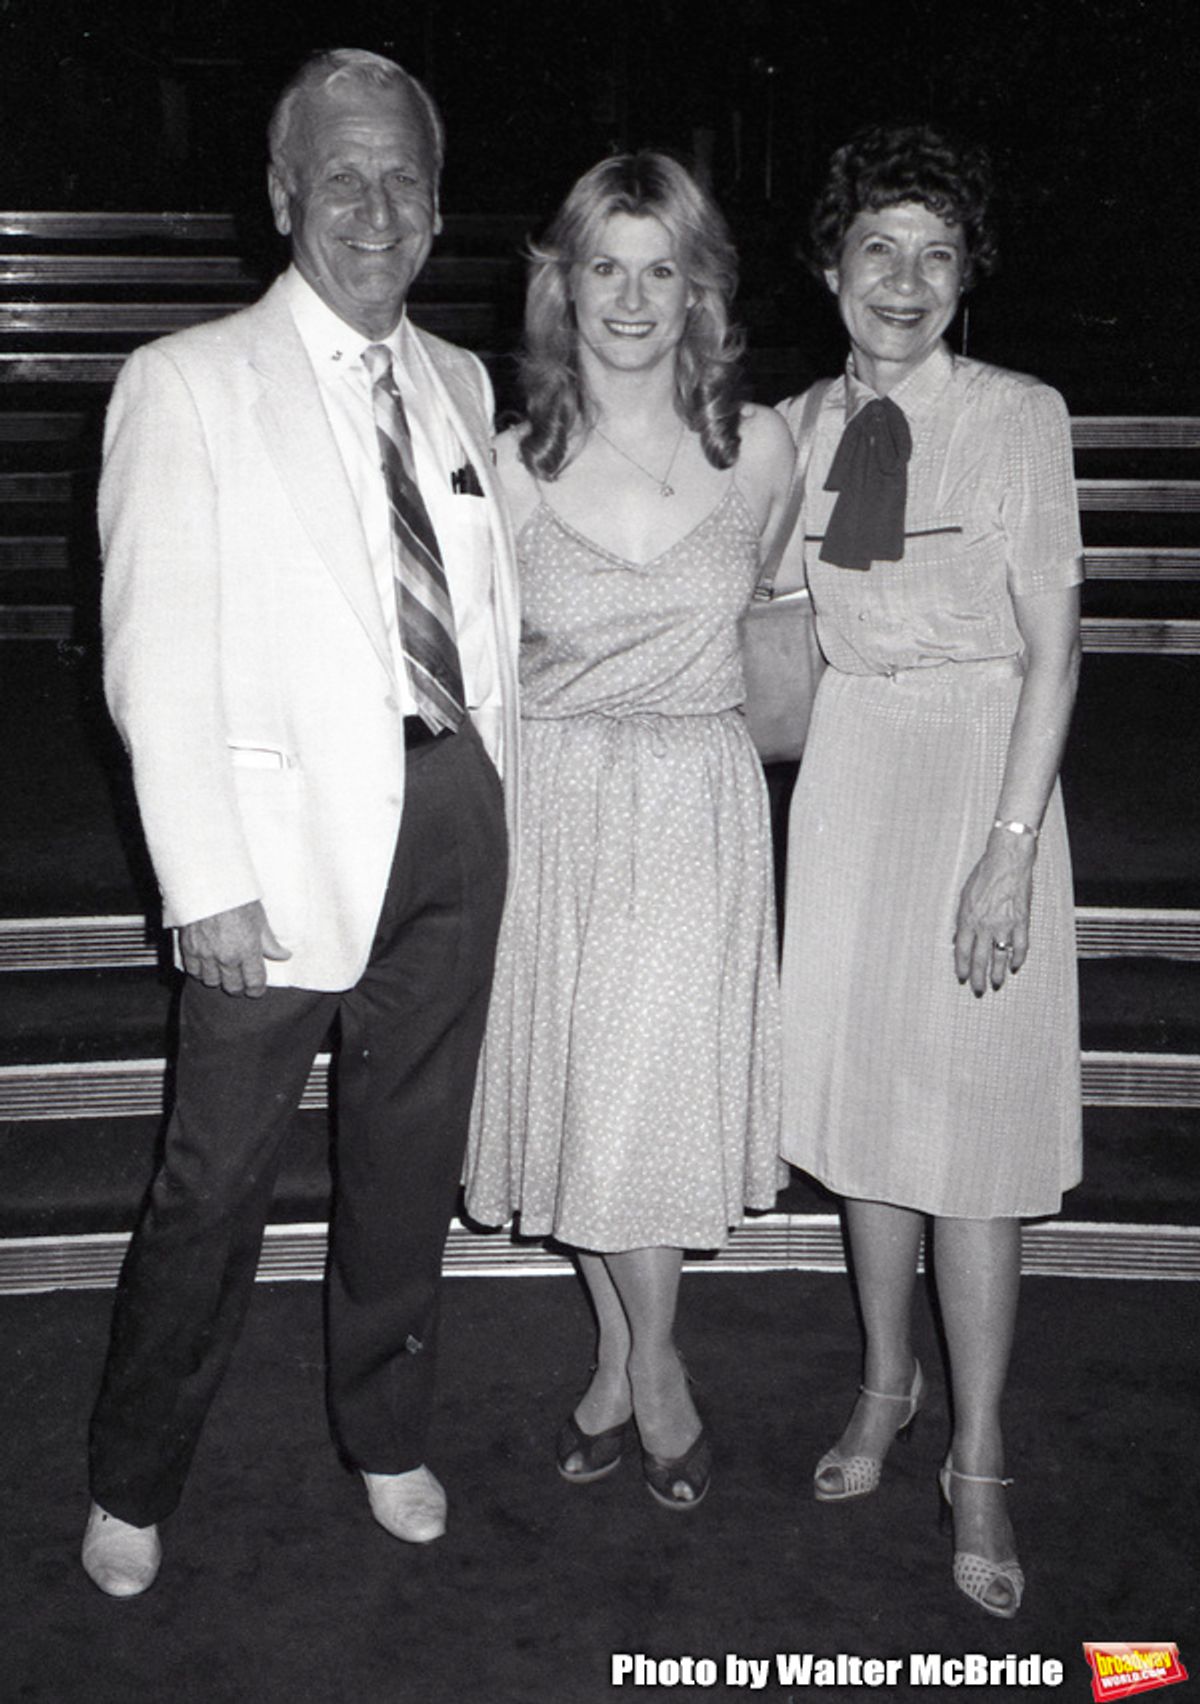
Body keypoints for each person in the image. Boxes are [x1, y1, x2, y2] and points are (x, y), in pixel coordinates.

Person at [80, 48, 520, 1596]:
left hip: (449, 817)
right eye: (342, 174)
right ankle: (134, 1476)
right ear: (281, 197)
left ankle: (387, 1432)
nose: (376, 206)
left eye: (404, 176)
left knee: (407, 1164)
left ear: (437, 199)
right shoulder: (186, 383)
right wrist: (201, 877)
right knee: (211, 1183)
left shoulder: (460, 384)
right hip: (266, 856)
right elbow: (151, 653)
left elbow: (478, 617)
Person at [778, 125, 1082, 1617]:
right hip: (847, 781)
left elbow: (1056, 645)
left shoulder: (1020, 415)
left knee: (973, 1134)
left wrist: (1011, 852)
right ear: (830, 269)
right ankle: (887, 1386)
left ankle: (981, 1452)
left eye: (937, 252)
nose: (906, 281)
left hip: (980, 783)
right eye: (878, 249)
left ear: (968, 277)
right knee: (872, 1107)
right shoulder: (792, 428)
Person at [464, 152, 794, 1509]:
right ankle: (639, 1367)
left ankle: (638, 1370)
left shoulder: (759, 442)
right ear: (563, 280)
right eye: (607, 263)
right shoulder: (509, 463)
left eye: (664, 267)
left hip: (702, 806)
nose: (634, 296)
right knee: (597, 1108)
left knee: (642, 1109)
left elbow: (786, 611)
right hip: (562, 810)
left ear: (700, 287)